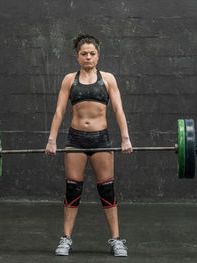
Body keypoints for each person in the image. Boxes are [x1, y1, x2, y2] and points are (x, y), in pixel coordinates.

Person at [45, 34, 133, 257]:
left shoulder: (108, 79)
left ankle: (116, 240)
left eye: (92, 53)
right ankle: (66, 239)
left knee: (107, 190)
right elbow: (59, 112)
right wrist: (52, 140)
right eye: (84, 53)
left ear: (98, 55)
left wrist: (125, 138)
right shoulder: (69, 80)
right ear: (77, 56)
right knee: (72, 189)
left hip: (101, 140)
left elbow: (118, 110)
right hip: (76, 141)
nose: (88, 57)